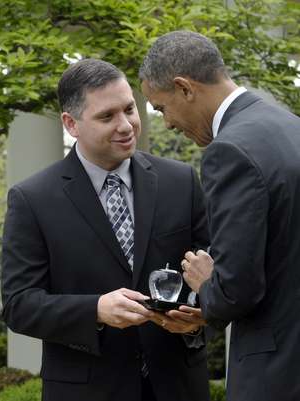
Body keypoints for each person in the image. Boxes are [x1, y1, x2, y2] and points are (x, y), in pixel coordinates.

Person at [1, 58, 210, 401]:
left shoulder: (181, 181)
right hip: (87, 390)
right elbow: (19, 305)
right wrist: (95, 309)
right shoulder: (32, 199)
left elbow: (212, 269)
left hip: (179, 385)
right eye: (106, 116)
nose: (126, 125)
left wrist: (199, 314)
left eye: (129, 109)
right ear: (71, 124)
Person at [139, 30, 300, 401]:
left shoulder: (229, 150)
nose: (166, 123)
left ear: (184, 88)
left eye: (161, 108)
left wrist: (206, 283)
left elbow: (236, 291)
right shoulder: (289, 124)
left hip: (273, 375)